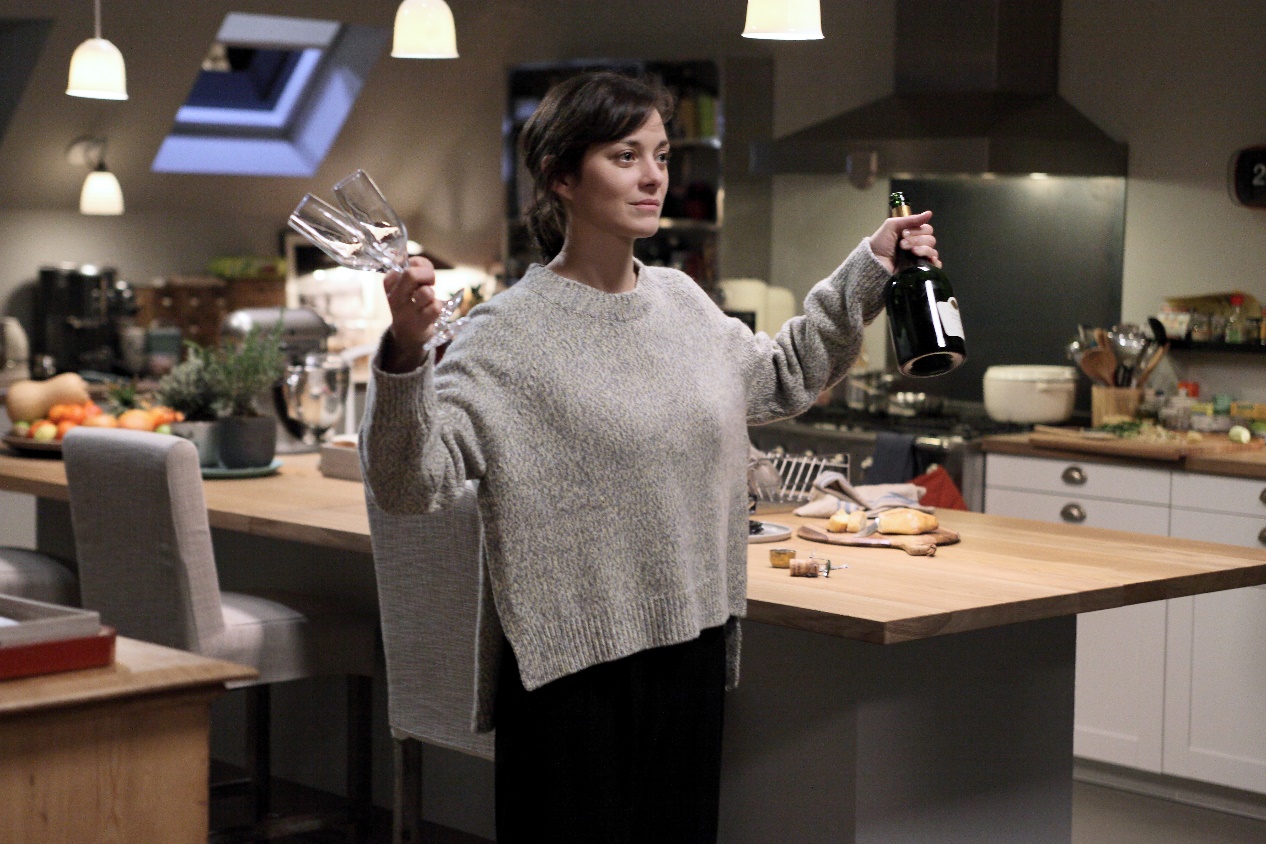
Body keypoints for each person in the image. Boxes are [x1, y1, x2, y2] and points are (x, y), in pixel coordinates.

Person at [360, 70, 939, 842]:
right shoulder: (504, 335)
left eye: (662, 155)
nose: (653, 176)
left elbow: (783, 375)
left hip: (690, 652)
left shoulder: (682, 303)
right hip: (570, 680)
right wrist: (404, 355)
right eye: (625, 155)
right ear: (561, 176)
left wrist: (869, 265)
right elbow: (408, 484)